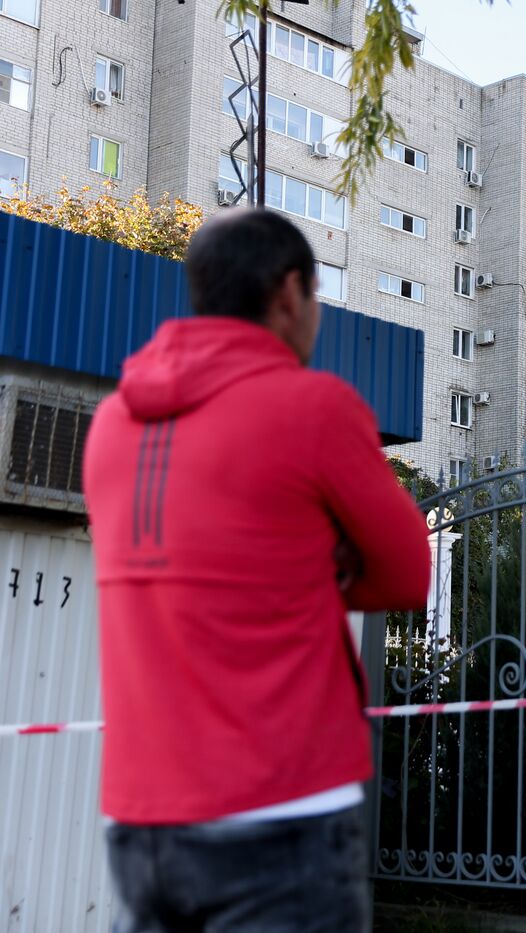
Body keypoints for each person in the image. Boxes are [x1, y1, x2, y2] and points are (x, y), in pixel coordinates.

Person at [83, 208, 431, 932]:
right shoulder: (314, 408)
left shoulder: (115, 421)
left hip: (142, 819)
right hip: (281, 813)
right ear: (289, 292)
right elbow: (405, 573)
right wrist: (309, 570)